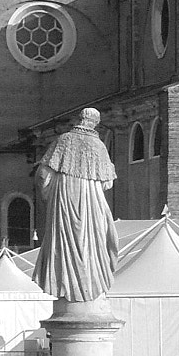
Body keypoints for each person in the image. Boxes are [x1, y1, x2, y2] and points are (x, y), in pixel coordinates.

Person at [34, 108, 119, 307]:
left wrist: (47, 195)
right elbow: (108, 183)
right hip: (92, 201)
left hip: (65, 197)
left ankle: (66, 285)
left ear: (78, 119)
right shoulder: (99, 146)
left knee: (65, 243)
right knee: (92, 242)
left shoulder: (64, 140)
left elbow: (43, 175)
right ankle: (92, 285)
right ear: (96, 123)